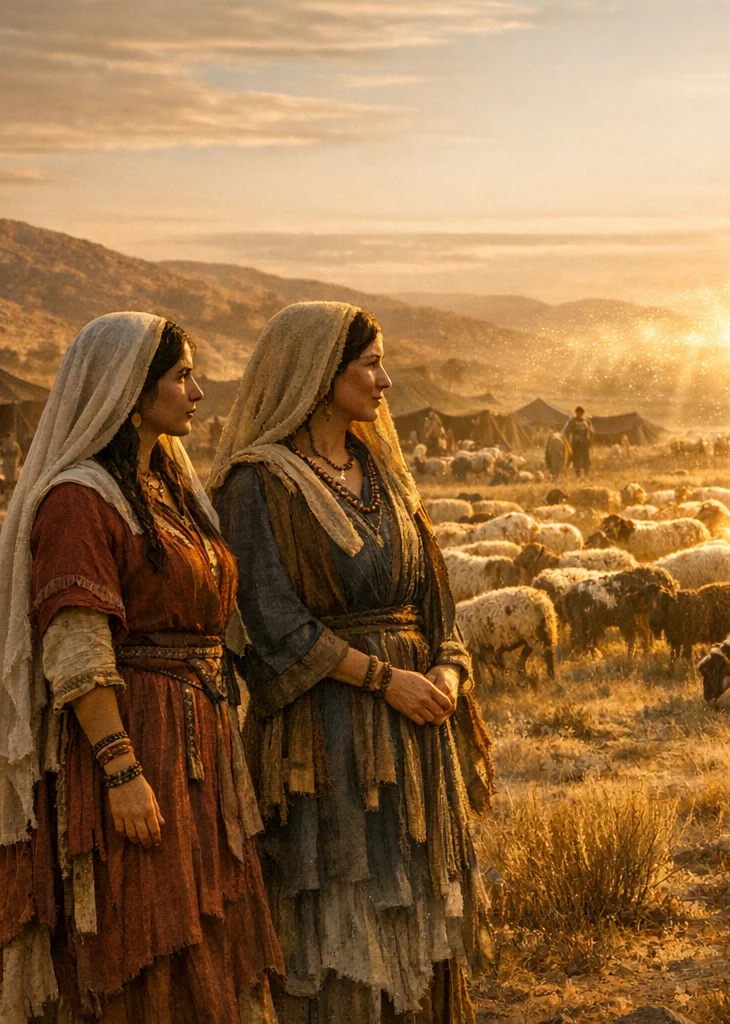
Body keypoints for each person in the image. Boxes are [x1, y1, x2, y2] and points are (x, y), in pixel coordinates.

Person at [0, 313, 283, 1023]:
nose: (198, 392)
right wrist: (121, 770)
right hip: (134, 740)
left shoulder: (168, 487)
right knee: (136, 923)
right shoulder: (78, 500)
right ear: (133, 392)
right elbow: (77, 647)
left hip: (194, 742)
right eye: (182, 376)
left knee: (192, 920)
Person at [210, 301, 493, 1023]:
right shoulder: (257, 484)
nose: (385, 381)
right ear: (320, 372)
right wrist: (385, 681)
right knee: (341, 912)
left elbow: (437, 602)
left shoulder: (384, 475)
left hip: (415, 734)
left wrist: (447, 672)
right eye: (370, 365)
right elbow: (272, 621)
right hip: (326, 739)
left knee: (414, 905)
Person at [561, 406, 593, 478]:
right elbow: (567, 432)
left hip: (584, 443)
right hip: (576, 443)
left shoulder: (587, 421)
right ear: (576, 413)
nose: (579, 414)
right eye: (578, 412)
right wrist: (568, 442)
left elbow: (591, 431)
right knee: (576, 459)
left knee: (586, 459)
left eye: (581, 413)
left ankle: (586, 474)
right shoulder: (572, 421)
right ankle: (578, 475)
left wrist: (590, 440)